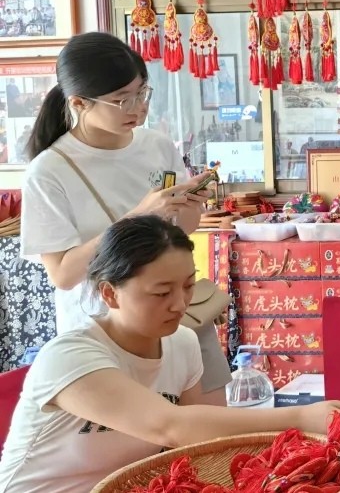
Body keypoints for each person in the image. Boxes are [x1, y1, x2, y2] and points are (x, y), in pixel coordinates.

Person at [0, 216, 340, 493]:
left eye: (188, 286)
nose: (180, 304)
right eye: (161, 293)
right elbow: (173, 427)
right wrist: (302, 417)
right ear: (110, 293)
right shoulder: (70, 355)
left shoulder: (182, 343)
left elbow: (206, 448)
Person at [20, 32, 232, 404]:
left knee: (215, 430)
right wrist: (137, 216)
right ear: (79, 103)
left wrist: (188, 208)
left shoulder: (157, 146)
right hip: (106, 335)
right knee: (137, 437)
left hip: (177, 317)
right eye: (122, 100)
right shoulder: (49, 171)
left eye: (142, 93)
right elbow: (63, 274)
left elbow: (180, 234)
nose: (138, 108)